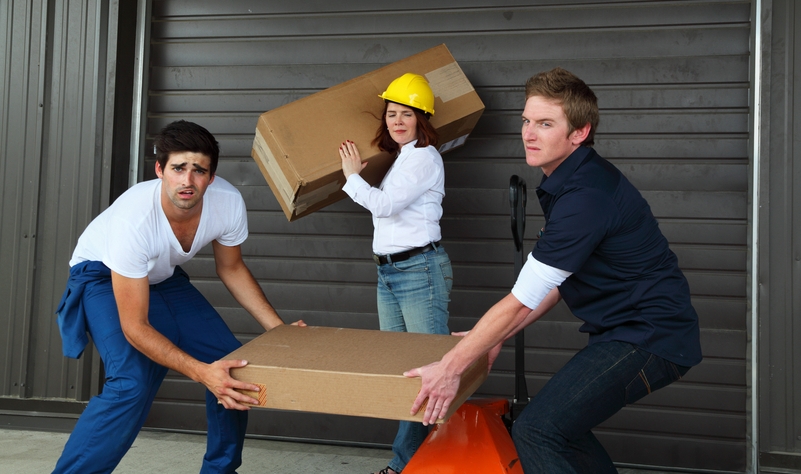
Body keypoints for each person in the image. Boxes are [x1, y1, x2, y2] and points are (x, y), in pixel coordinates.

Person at [404, 68, 703, 473]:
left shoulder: (585, 197)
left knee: (539, 430)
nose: (529, 133)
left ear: (579, 132)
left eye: (545, 124)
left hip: (649, 337)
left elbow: (522, 298)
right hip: (629, 331)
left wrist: (451, 367)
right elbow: (552, 283)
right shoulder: (572, 180)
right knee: (562, 429)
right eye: (526, 121)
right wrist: (488, 339)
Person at [53, 120, 302, 474]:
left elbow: (231, 269)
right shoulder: (134, 221)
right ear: (160, 170)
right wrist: (202, 374)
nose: (188, 181)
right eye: (178, 168)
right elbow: (135, 327)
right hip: (103, 277)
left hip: (162, 277)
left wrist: (280, 330)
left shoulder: (227, 203)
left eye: (199, 170)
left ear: (211, 176)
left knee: (232, 366)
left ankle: (219, 470)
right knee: (131, 384)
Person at [338, 73, 453, 474]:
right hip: (390, 274)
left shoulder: (424, 157)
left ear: (423, 119)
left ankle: (409, 464)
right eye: (391, 113)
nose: (397, 121)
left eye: (407, 114)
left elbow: (384, 206)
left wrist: (351, 176)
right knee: (403, 372)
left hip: (418, 271)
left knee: (427, 371)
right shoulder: (404, 157)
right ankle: (414, 461)